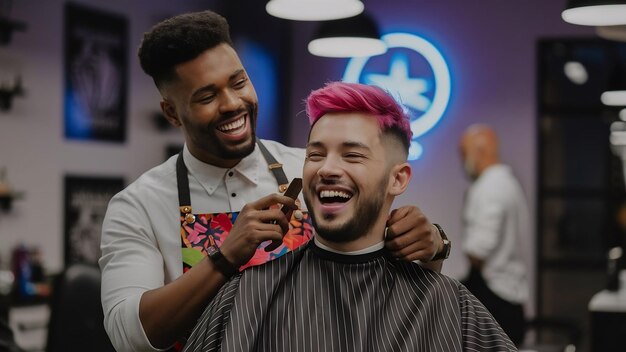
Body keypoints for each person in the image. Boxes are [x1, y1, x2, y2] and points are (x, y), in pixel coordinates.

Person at [99, 10, 450, 352]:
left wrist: (433, 245)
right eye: (207, 96)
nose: (233, 103)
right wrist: (225, 258)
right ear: (172, 112)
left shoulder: (312, 170)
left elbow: (383, 272)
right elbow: (129, 336)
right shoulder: (138, 206)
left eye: (239, 82)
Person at [182, 82, 515, 352]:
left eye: (352, 155)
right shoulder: (246, 296)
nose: (326, 169)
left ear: (397, 179)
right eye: (315, 154)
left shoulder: (449, 305)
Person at [459, 124, 529, 345]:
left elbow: (479, 248)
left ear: (480, 151)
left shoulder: (490, 187)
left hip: (495, 302)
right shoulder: (508, 183)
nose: (462, 161)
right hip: (509, 298)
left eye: (463, 153)